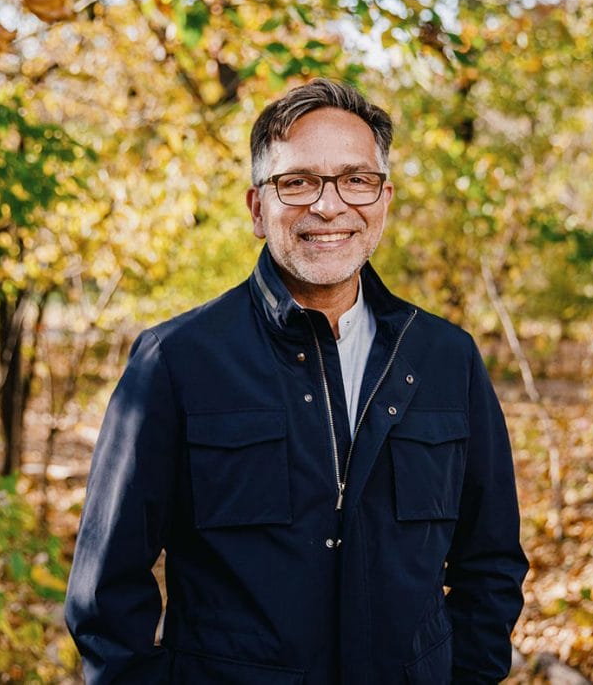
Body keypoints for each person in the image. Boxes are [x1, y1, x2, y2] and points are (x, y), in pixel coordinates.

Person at [65, 78, 528, 684]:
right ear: (258, 208)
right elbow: (107, 593)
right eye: (297, 182)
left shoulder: (446, 358)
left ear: (383, 199)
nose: (330, 205)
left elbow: (489, 561)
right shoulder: (176, 361)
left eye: (355, 180)